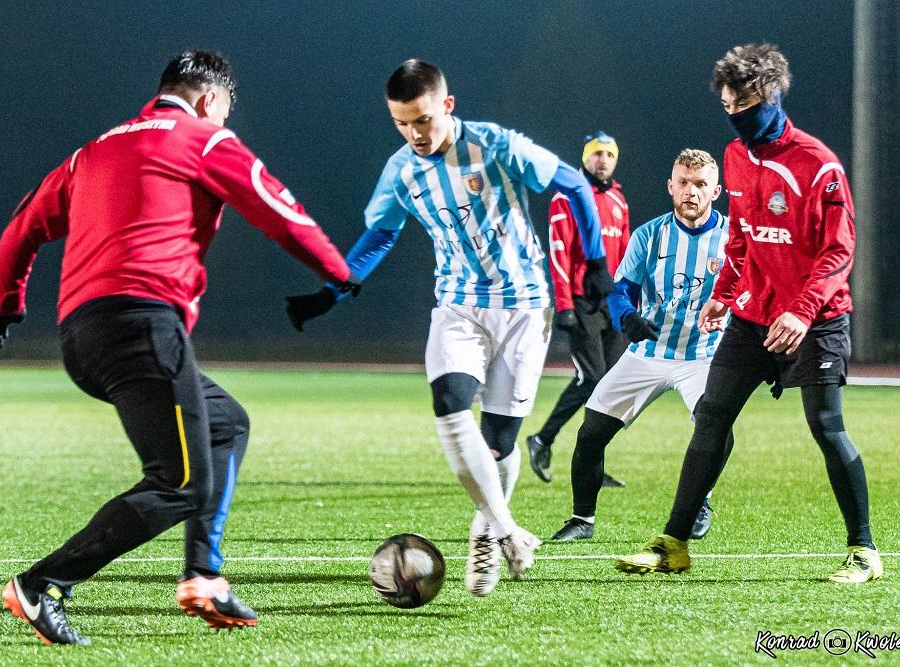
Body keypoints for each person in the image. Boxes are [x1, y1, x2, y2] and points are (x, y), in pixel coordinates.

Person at [0, 51, 358, 645]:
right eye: (225, 111)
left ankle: (204, 575)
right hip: (142, 328)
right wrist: (338, 271)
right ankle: (44, 583)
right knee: (179, 481)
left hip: (82, 336)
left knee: (225, 423)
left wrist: (7, 303)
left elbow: (21, 226)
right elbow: (275, 205)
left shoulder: (93, 150)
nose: (225, 123)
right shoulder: (202, 140)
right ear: (210, 100)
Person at [285, 59, 615, 596]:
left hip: (525, 308)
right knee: (449, 400)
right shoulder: (400, 170)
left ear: (448, 106)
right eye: (401, 123)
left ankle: (487, 531)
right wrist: (334, 289)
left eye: (422, 120)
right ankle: (509, 530)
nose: (414, 134)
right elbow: (381, 234)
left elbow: (574, 183)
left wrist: (597, 263)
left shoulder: (495, 145)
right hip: (458, 305)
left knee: (501, 441)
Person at [616, 43, 882, 584]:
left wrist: (804, 312)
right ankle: (675, 542)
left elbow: (839, 250)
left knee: (826, 427)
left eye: (746, 105)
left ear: (773, 95)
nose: (737, 116)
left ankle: (864, 551)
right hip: (753, 315)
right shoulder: (735, 158)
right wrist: (724, 290)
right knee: (711, 416)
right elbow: (740, 237)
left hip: (817, 319)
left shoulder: (818, 165)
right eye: (727, 106)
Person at [551, 149, 730, 542]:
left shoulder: (733, 238)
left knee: (717, 426)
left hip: (703, 356)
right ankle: (583, 519)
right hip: (647, 353)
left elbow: (755, 290)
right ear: (671, 186)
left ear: (716, 191)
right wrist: (626, 317)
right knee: (590, 433)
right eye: (683, 182)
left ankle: (700, 499)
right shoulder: (649, 235)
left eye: (700, 185)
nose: (691, 192)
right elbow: (620, 293)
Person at [525, 131, 631, 486]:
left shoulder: (619, 200)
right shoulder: (566, 198)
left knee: (610, 385)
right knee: (594, 379)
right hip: (582, 303)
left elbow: (626, 257)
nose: (603, 160)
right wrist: (564, 304)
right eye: (596, 154)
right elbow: (559, 254)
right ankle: (544, 441)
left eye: (609, 154)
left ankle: (579, 459)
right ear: (585, 159)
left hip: (610, 306)